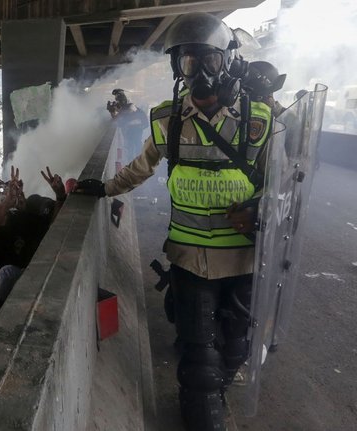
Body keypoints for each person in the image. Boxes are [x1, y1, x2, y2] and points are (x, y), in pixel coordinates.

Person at [73, 12, 274, 431]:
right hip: (190, 258)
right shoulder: (169, 119)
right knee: (199, 354)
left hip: (244, 260)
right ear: (176, 68)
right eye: (188, 62)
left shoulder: (258, 122)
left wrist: (260, 212)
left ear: (229, 63)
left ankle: (218, 387)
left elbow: (282, 189)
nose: (199, 72)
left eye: (210, 61)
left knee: (235, 345)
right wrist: (104, 188)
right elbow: (141, 167)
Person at [107, 89, 148, 157]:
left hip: (134, 129)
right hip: (135, 129)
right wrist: (112, 111)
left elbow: (117, 119)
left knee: (133, 147)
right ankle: (138, 161)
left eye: (118, 101)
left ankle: (136, 162)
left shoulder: (128, 107)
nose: (117, 103)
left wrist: (112, 111)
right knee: (135, 146)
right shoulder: (130, 106)